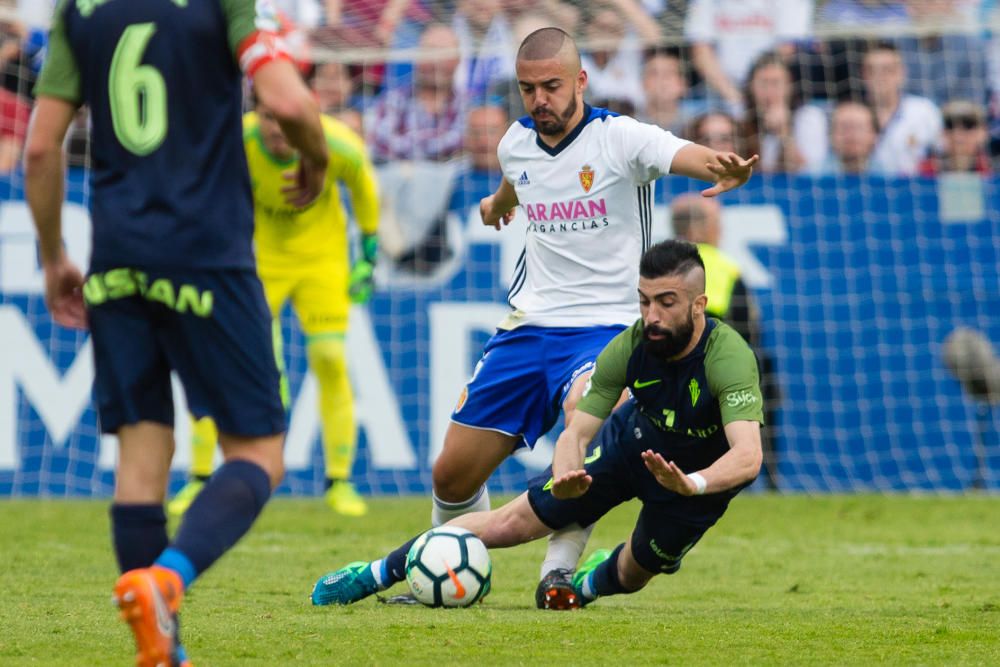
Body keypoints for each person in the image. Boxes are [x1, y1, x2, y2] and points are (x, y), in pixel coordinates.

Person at [312, 26, 759, 609]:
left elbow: (679, 154)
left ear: (580, 80)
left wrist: (720, 166)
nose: (539, 99)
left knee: (585, 424)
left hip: (605, 327)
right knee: (451, 473)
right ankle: (449, 571)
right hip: (528, 328)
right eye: (528, 89)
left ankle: (557, 574)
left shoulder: (619, 138)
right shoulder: (516, 143)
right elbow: (514, 183)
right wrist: (496, 205)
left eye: (551, 86)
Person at [25, 1, 328, 665]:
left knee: (140, 463)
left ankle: (163, 650)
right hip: (206, 256)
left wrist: (53, 257)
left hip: (116, 261)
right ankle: (169, 578)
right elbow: (293, 105)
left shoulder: (78, 10)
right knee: (259, 452)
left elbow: (41, 146)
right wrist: (318, 161)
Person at [310, 240, 764, 609]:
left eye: (667, 303)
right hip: (631, 444)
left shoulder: (729, 358)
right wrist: (567, 473)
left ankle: (582, 586)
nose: (652, 317)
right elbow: (578, 430)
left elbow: (747, 456)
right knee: (510, 523)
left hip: (695, 484)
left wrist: (693, 484)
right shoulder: (630, 345)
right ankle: (372, 574)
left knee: (632, 574)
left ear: (699, 304)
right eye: (644, 302)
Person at [168, 95, 380, 519]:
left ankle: (340, 481)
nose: (276, 130)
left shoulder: (337, 145)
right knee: (231, 363)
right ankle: (198, 478)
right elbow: (201, 187)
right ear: (257, 115)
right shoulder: (236, 140)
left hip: (323, 259)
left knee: (330, 358)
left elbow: (364, 190)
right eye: (268, 118)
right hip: (261, 260)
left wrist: (367, 257)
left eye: (285, 120)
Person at [670, 195, 779, 490]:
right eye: (717, 224)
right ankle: (768, 476)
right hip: (712, 364)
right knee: (762, 371)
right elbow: (747, 327)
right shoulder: (718, 265)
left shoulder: (657, 265)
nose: (721, 231)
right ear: (697, 230)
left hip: (663, 366)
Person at [861, 40, 941, 176]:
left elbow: (940, 156)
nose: (880, 77)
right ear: (863, 75)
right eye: (872, 71)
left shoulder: (924, 111)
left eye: (888, 70)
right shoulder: (852, 114)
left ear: (901, 73)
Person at [918, 100, 993, 176]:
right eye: (950, 125)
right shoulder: (924, 171)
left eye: (968, 125)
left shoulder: (992, 170)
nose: (957, 136)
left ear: (983, 133)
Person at [814, 100, 881, 175]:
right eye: (844, 128)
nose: (851, 135)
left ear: (874, 135)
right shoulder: (813, 178)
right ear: (830, 135)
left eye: (859, 128)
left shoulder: (889, 176)